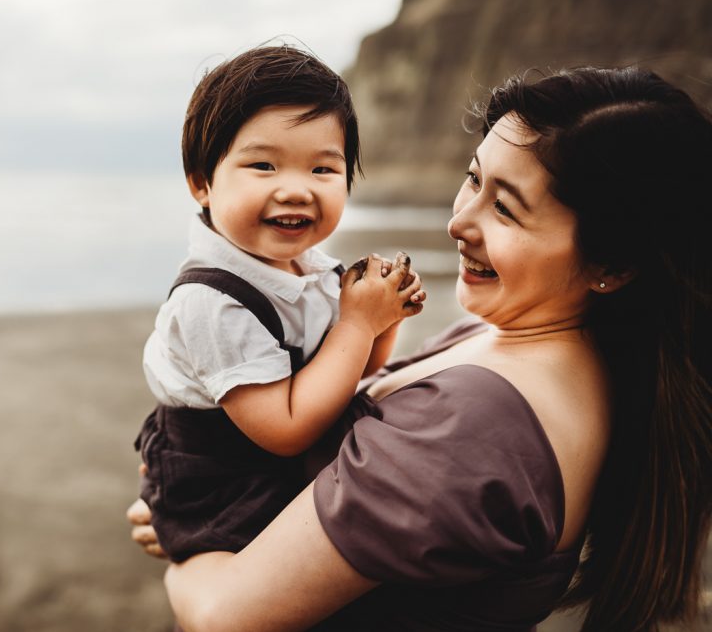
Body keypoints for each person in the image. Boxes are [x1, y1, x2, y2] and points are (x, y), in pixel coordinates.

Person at [128, 66, 712, 631]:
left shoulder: (470, 431)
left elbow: (221, 616)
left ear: (613, 263)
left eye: (505, 208)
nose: (458, 221)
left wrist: (186, 549)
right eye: (474, 178)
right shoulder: (512, 339)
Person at [135, 45, 426, 564]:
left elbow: (352, 371)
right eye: (264, 165)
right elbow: (287, 430)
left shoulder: (310, 271)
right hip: (224, 482)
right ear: (202, 183)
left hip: (272, 459)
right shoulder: (213, 301)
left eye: (322, 170)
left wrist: (383, 318)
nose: (296, 190)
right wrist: (357, 323)